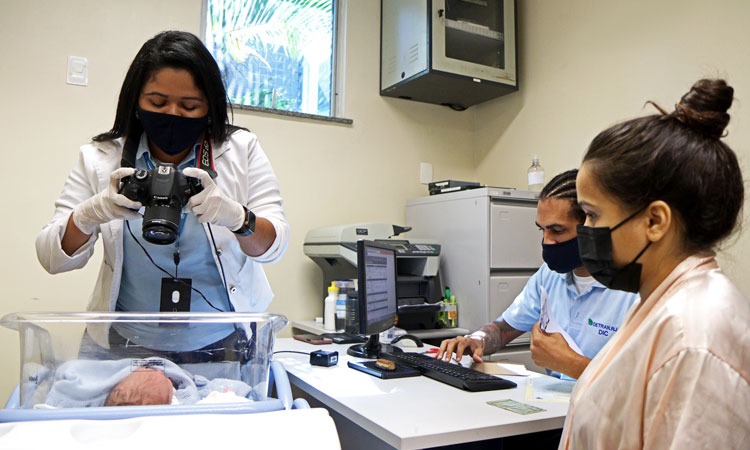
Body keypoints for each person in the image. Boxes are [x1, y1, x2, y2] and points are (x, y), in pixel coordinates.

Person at [35, 30, 290, 361]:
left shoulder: (241, 151)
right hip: (125, 342)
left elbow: (275, 246)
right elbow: (51, 258)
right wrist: (89, 214)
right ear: (136, 102)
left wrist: (238, 218)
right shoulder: (100, 158)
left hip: (224, 341)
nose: (173, 114)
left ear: (210, 108)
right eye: (157, 102)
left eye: (189, 105)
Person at [560, 78, 750, 449]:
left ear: (655, 222)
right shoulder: (661, 303)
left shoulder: (695, 336)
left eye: (592, 215)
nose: (585, 231)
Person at [437, 169, 639, 380]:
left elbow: (642, 386)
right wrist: (478, 340)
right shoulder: (549, 276)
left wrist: (572, 364)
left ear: (592, 226)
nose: (547, 241)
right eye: (542, 230)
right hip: (557, 405)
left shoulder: (634, 289)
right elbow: (503, 329)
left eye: (557, 231)